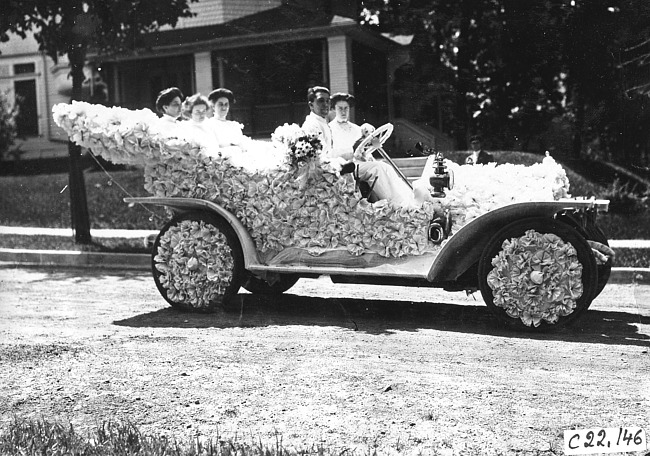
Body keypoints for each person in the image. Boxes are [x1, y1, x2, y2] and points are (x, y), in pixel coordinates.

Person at [301, 87, 416, 207]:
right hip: (330, 170)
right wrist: (352, 151)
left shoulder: (324, 123)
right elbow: (323, 155)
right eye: (320, 101)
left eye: (327, 101)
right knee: (377, 168)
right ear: (311, 105)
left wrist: (364, 151)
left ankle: (407, 200)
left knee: (383, 166)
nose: (325, 104)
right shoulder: (313, 125)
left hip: (340, 165)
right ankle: (397, 205)